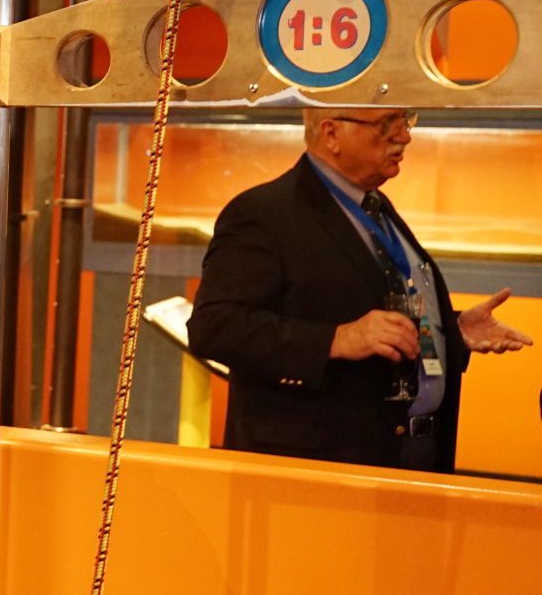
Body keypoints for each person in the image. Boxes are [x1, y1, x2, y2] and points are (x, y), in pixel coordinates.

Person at [189, 106, 531, 472]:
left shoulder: (375, 206)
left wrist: (447, 330)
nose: (404, 136)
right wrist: (335, 339)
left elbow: (371, 304)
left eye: (406, 120)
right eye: (386, 125)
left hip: (409, 455)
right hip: (319, 471)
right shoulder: (263, 213)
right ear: (331, 133)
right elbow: (214, 328)